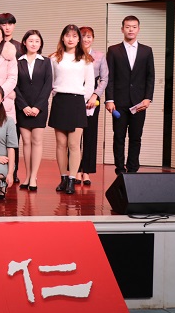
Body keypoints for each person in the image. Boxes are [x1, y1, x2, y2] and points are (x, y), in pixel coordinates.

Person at [105, 16, 155, 175]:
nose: (131, 29)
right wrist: (109, 99)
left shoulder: (147, 51)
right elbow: (109, 77)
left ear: (138, 29)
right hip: (118, 103)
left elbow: (150, 76)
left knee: (136, 137)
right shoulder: (113, 50)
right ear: (122, 29)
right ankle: (120, 169)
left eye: (134, 27)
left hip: (139, 103)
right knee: (119, 137)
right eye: (127, 27)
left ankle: (133, 170)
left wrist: (148, 98)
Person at [49, 24, 95, 195]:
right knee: (61, 144)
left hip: (77, 102)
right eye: (68, 35)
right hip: (60, 101)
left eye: (74, 36)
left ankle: (72, 179)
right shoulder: (54, 58)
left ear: (78, 39)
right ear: (63, 37)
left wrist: (82, 100)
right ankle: (63, 177)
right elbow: (51, 81)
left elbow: (90, 84)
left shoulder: (86, 59)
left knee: (74, 144)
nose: (71, 39)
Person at [14, 30, 52, 191]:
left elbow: (48, 85)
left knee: (37, 141)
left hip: (39, 108)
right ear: (24, 42)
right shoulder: (17, 61)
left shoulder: (46, 62)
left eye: (37, 41)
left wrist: (37, 107)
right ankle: (27, 176)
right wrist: (23, 106)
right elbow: (15, 85)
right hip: (22, 108)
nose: (34, 44)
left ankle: (34, 177)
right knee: (26, 142)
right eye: (30, 41)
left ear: (40, 43)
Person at [77, 26, 109, 185]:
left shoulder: (100, 56)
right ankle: (75, 170)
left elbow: (104, 79)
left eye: (89, 36)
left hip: (92, 98)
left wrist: (95, 95)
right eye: (83, 36)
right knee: (74, 136)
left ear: (93, 38)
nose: (86, 39)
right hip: (75, 96)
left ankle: (87, 171)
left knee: (90, 134)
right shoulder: (73, 54)